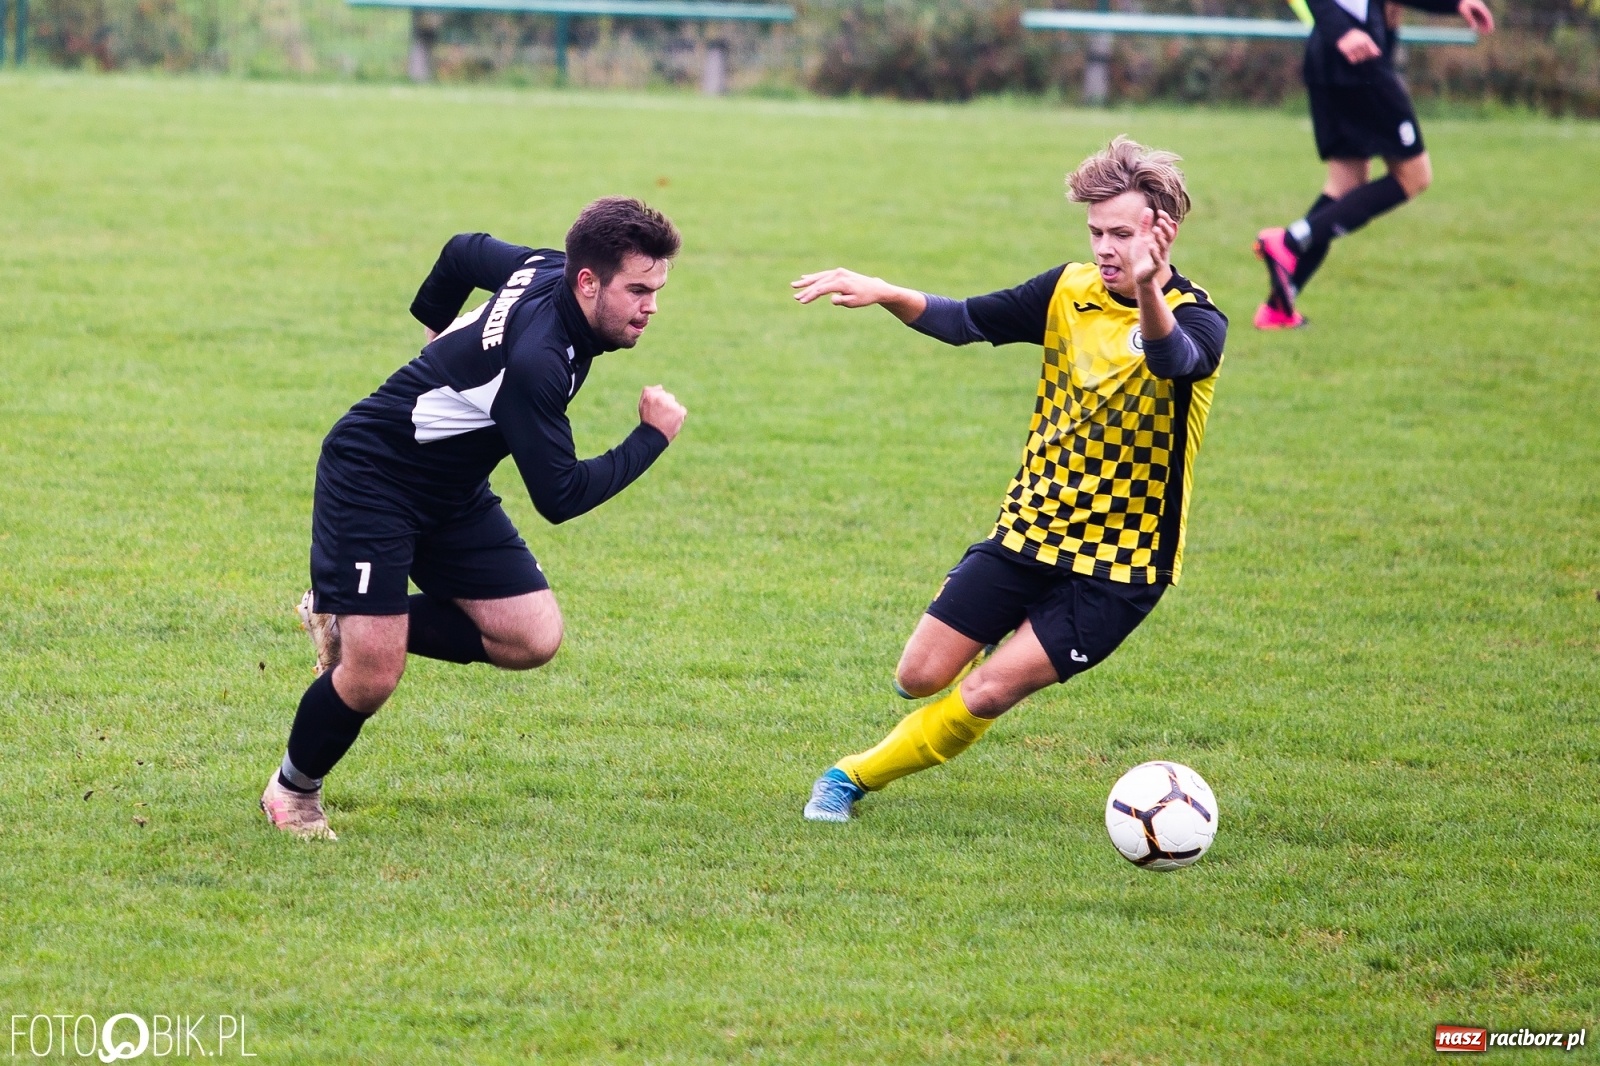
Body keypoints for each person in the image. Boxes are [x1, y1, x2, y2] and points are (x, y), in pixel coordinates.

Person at [792, 137, 1227, 822]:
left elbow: (1174, 360)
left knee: (988, 691)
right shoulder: (1067, 290)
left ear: (1160, 230)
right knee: (918, 677)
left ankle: (848, 778)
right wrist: (887, 293)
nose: (1104, 247)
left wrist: (1148, 286)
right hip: (1031, 530)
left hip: (1120, 565)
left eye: (1121, 234)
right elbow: (966, 320)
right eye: (1096, 231)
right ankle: (1009, 634)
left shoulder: (1199, 317)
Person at [261, 197, 687, 840]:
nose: (650, 307)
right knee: (374, 673)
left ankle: (350, 615)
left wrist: (437, 331)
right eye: (637, 290)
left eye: (656, 291)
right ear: (587, 281)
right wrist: (651, 437)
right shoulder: (538, 360)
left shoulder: (543, 266)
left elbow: (462, 250)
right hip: (374, 475)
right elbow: (560, 495)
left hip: (452, 489)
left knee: (531, 637)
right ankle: (293, 792)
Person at [1253, 0, 1494, 329]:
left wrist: (1455, 4)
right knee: (1413, 176)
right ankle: (1290, 241)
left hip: (1334, 58)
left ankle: (1279, 306)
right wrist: (1343, 31)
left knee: (1345, 186)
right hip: (1357, 58)